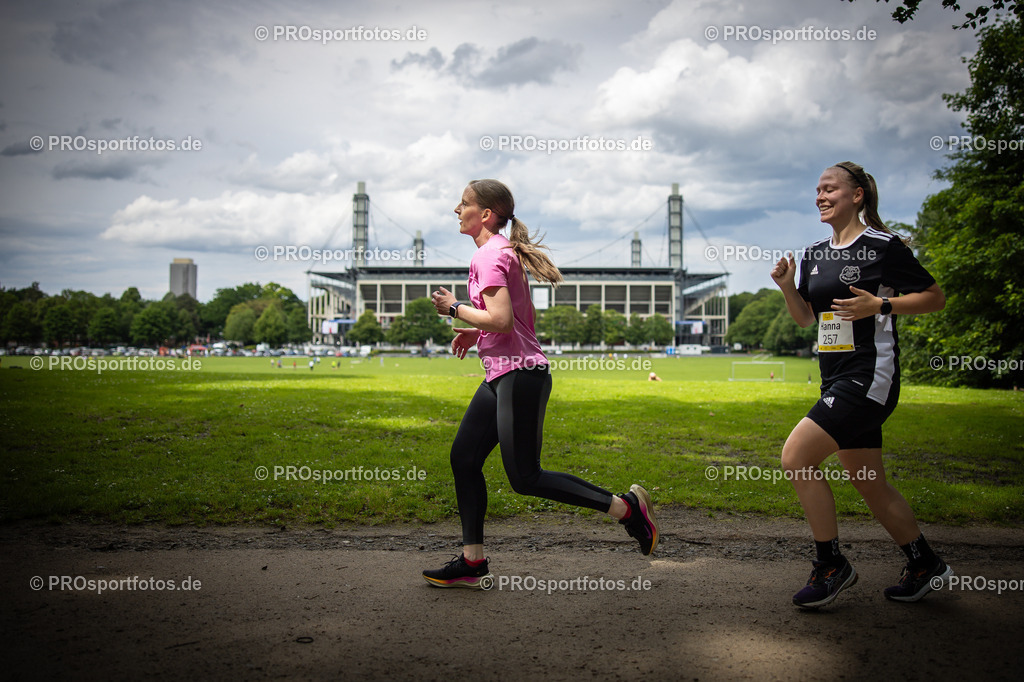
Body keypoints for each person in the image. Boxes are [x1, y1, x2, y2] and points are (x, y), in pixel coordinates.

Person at [423, 179, 659, 589]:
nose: (455, 211)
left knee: (526, 478)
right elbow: (513, 322)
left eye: (463, 204)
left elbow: (502, 320)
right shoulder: (498, 253)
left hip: (521, 376)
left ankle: (628, 509)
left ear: (487, 215)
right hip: (501, 375)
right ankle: (472, 561)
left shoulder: (490, 255)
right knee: (464, 459)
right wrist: (473, 333)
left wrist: (454, 309)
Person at [770, 161, 952, 608]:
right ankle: (925, 564)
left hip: (869, 376)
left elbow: (934, 297)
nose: (820, 196)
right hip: (835, 377)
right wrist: (788, 288)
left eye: (830, 188)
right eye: (817, 190)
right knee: (867, 480)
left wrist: (881, 305)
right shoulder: (813, 253)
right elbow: (807, 320)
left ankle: (831, 566)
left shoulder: (882, 247)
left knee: (796, 457)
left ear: (857, 196)